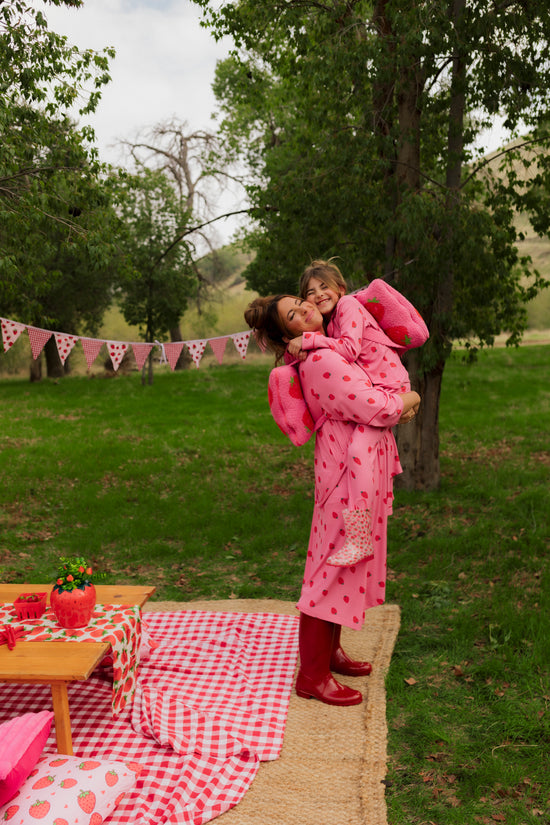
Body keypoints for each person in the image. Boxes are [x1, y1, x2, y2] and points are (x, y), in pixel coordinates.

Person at [244, 294, 420, 707]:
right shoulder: (321, 362)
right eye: (293, 315)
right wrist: (408, 401)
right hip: (345, 479)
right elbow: (371, 405)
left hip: (351, 472)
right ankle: (312, 676)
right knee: (327, 574)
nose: (306, 309)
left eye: (301, 302)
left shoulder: (332, 345)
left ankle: (331, 654)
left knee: (342, 569)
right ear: (287, 334)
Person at [285, 259, 419, 566]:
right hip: (376, 388)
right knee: (359, 452)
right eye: (310, 291)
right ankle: (371, 515)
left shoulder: (347, 306)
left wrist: (311, 340)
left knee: (359, 450)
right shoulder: (331, 322)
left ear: (340, 288)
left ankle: (360, 539)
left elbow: (348, 350)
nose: (318, 294)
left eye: (324, 286)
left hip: (389, 385)